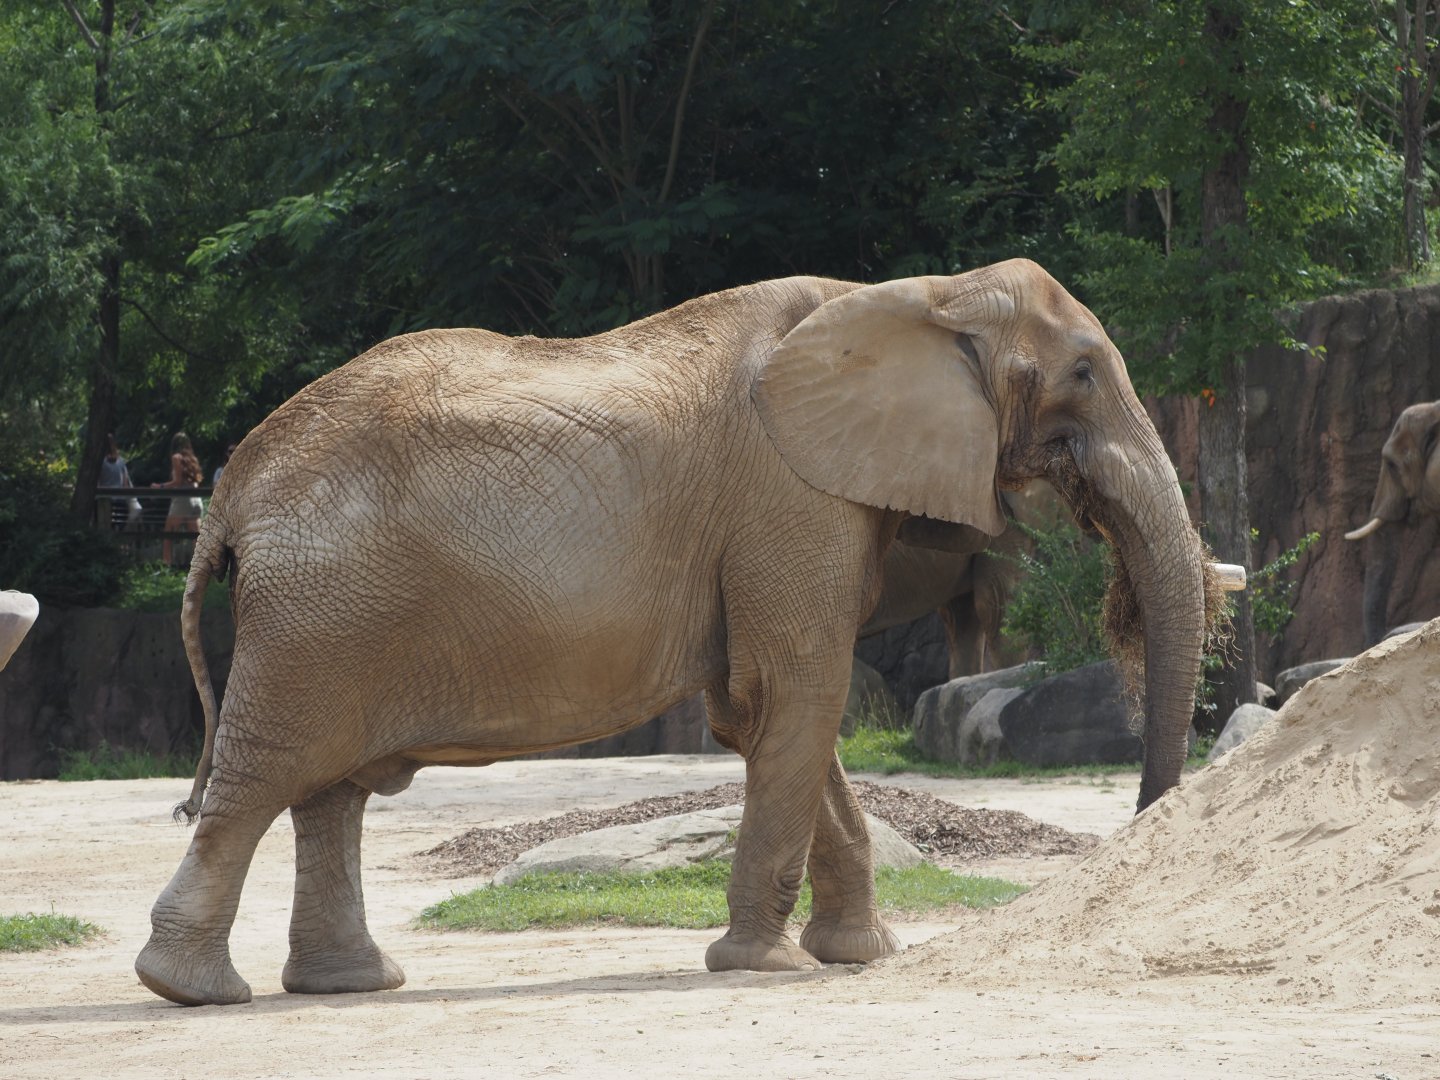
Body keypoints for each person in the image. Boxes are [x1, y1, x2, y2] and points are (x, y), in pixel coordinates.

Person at [152, 432, 204, 566]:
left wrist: (160, 486)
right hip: (196, 500)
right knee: (196, 538)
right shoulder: (193, 459)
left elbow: (177, 482)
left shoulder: (176, 457)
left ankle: (166, 565)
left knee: (168, 534)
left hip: (182, 500)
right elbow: (196, 481)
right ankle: (200, 569)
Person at [96, 433, 136, 530]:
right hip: (120, 498)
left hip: (105, 498)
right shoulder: (120, 461)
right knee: (120, 524)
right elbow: (125, 483)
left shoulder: (99, 462)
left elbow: (97, 481)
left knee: (104, 524)